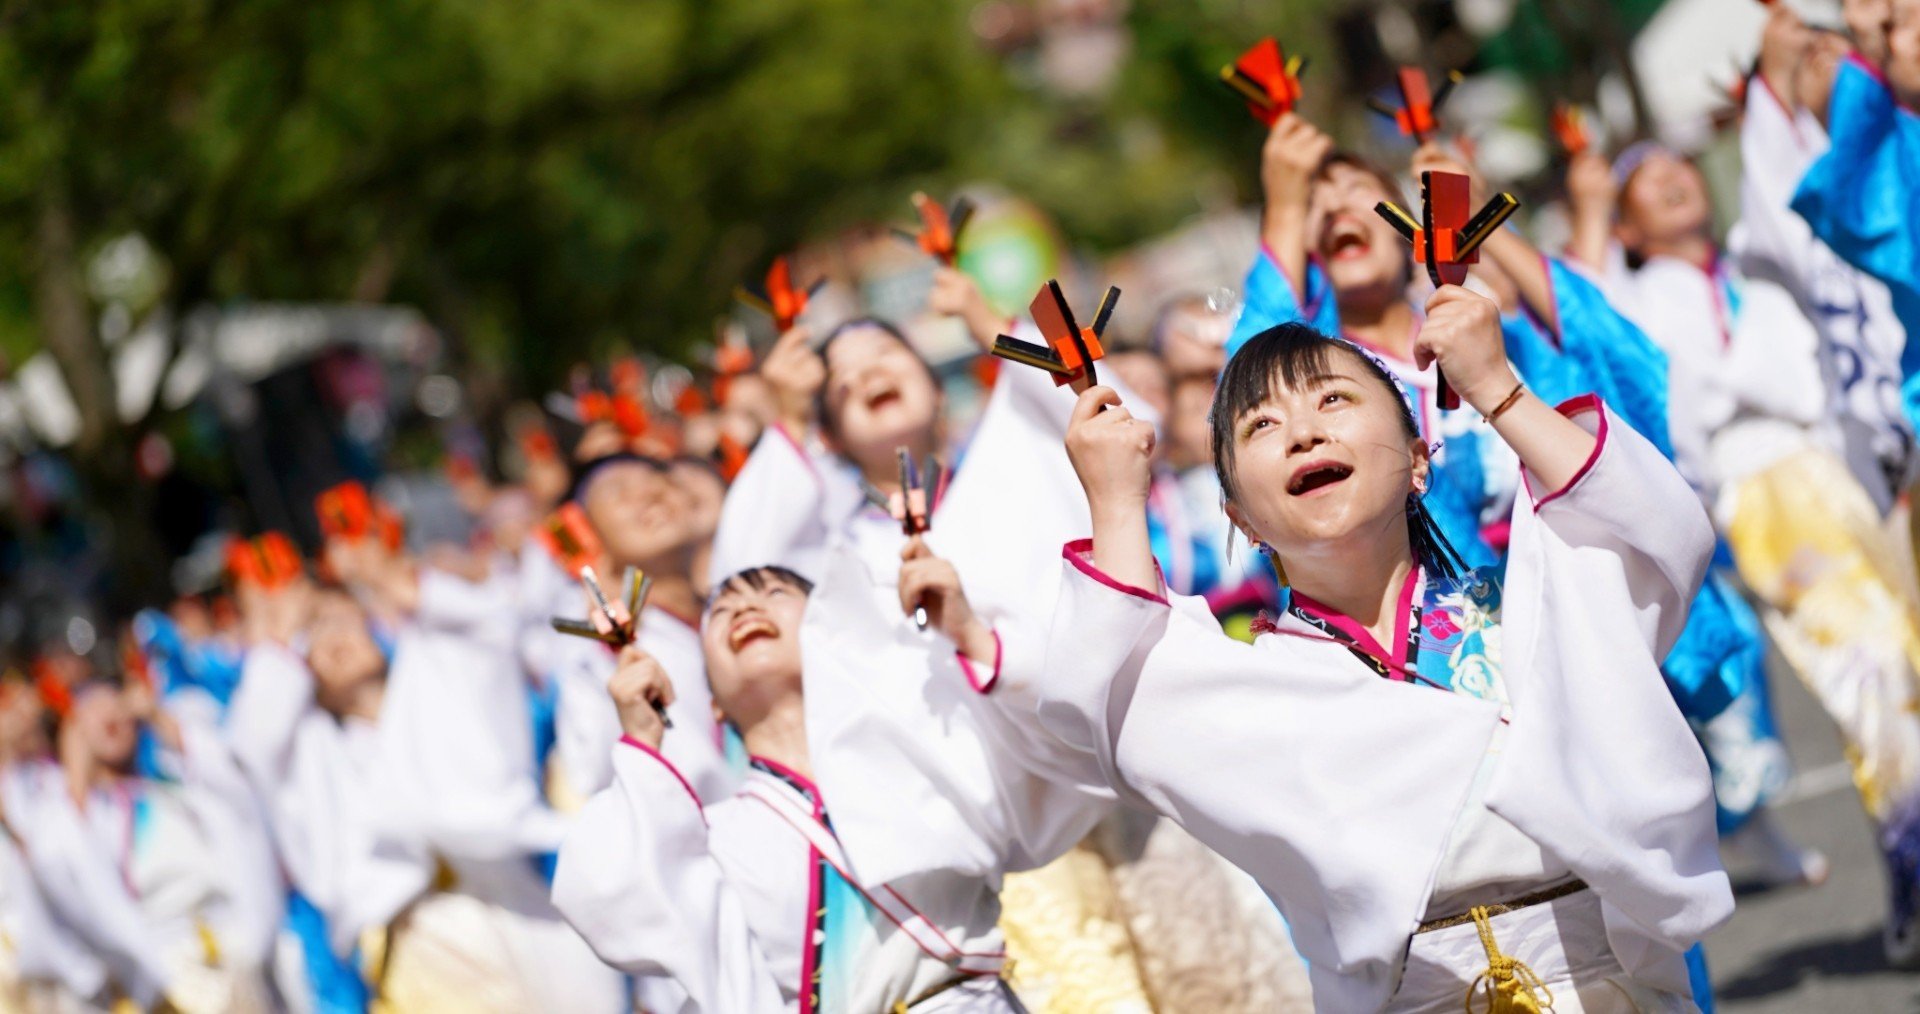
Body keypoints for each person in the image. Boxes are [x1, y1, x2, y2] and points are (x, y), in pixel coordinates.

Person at [1039, 287, 1732, 1011]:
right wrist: (1116, 503)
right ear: (1239, 518)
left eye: (1333, 401)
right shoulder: (1258, 689)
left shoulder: (1534, 616)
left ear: (1418, 460)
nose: (1303, 434)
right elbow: (1116, 705)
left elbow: (1656, 532)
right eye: (1262, 424)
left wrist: (1497, 387)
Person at [552, 563, 1024, 1012]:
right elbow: (608, 895)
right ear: (711, 701)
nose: (745, 609)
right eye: (721, 609)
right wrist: (641, 742)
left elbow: (1050, 750)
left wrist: (967, 635)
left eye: (775, 592)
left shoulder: (924, 750)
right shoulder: (709, 841)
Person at [225, 560, 624, 1012]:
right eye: (313, 637)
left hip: (524, 909)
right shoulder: (308, 757)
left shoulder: (440, 687)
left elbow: (491, 626)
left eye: (343, 624)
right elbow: (253, 739)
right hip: (417, 936)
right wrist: (276, 641)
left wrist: (406, 587)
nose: (335, 641)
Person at [4, 658, 282, 1012]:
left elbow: (239, 798)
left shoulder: (172, 788)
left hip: (234, 960)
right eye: (90, 710)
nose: (110, 715)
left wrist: (159, 718)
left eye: (115, 703)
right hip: (167, 977)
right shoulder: (75, 813)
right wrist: (77, 774)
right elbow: (62, 869)